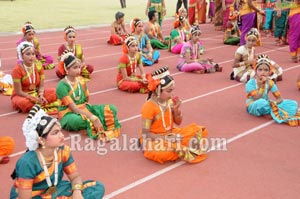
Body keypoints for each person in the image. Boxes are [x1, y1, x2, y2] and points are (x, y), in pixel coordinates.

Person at [10, 104, 105, 198]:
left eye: (59, 131)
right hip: (35, 195)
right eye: (55, 133)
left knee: (97, 187)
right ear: (41, 140)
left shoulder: (64, 151)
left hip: (56, 189)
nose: (62, 135)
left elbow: (75, 177)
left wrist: (77, 192)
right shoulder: (27, 163)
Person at [140, 66, 209, 164]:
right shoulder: (148, 107)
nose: (172, 94)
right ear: (158, 90)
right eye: (169, 91)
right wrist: (167, 139)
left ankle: (180, 148)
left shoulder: (169, 101)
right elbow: (146, 134)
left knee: (200, 130)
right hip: (155, 138)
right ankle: (181, 148)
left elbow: (178, 122)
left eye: (172, 90)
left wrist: (176, 110)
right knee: (162, 154)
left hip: (172, 133)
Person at [56, 52, 121, 141]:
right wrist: (92, 117)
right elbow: (74, 108)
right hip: (68, 113)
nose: (78, 70)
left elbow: (86, 101)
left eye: (79, 67)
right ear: (67, 69)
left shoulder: (81, 80)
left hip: (83, 108)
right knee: (81, 121)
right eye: (75, 68)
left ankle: (91, 125)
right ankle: (91, 124)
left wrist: (92, 112)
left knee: (112, 109)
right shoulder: (61, 86)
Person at [245, 55, 300, 126]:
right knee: (261, 103)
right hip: (253, 105)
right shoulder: (250, 83)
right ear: (255, 71)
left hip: (267, 104)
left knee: (292, 103)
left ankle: (271, 111)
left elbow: (280, 98)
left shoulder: (270, 82)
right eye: (260, 70)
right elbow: (256, 98)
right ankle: (271, 111)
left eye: (266, 70)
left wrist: (273, 103)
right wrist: (262, 86)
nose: (263, 72)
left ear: (269, 72)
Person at [11, 41, 59, 114]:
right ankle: (42, 104)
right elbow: (18, 91)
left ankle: (40, 104)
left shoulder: (39, 66)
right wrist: (33, 98)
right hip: (23, 96)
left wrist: (41, 95)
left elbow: (41, 86)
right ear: (22, 56)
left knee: (55, 92)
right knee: (25, 103)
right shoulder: (17, 70)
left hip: (36, 93)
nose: (31, 56)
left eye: (33, 54)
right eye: (28, 54)